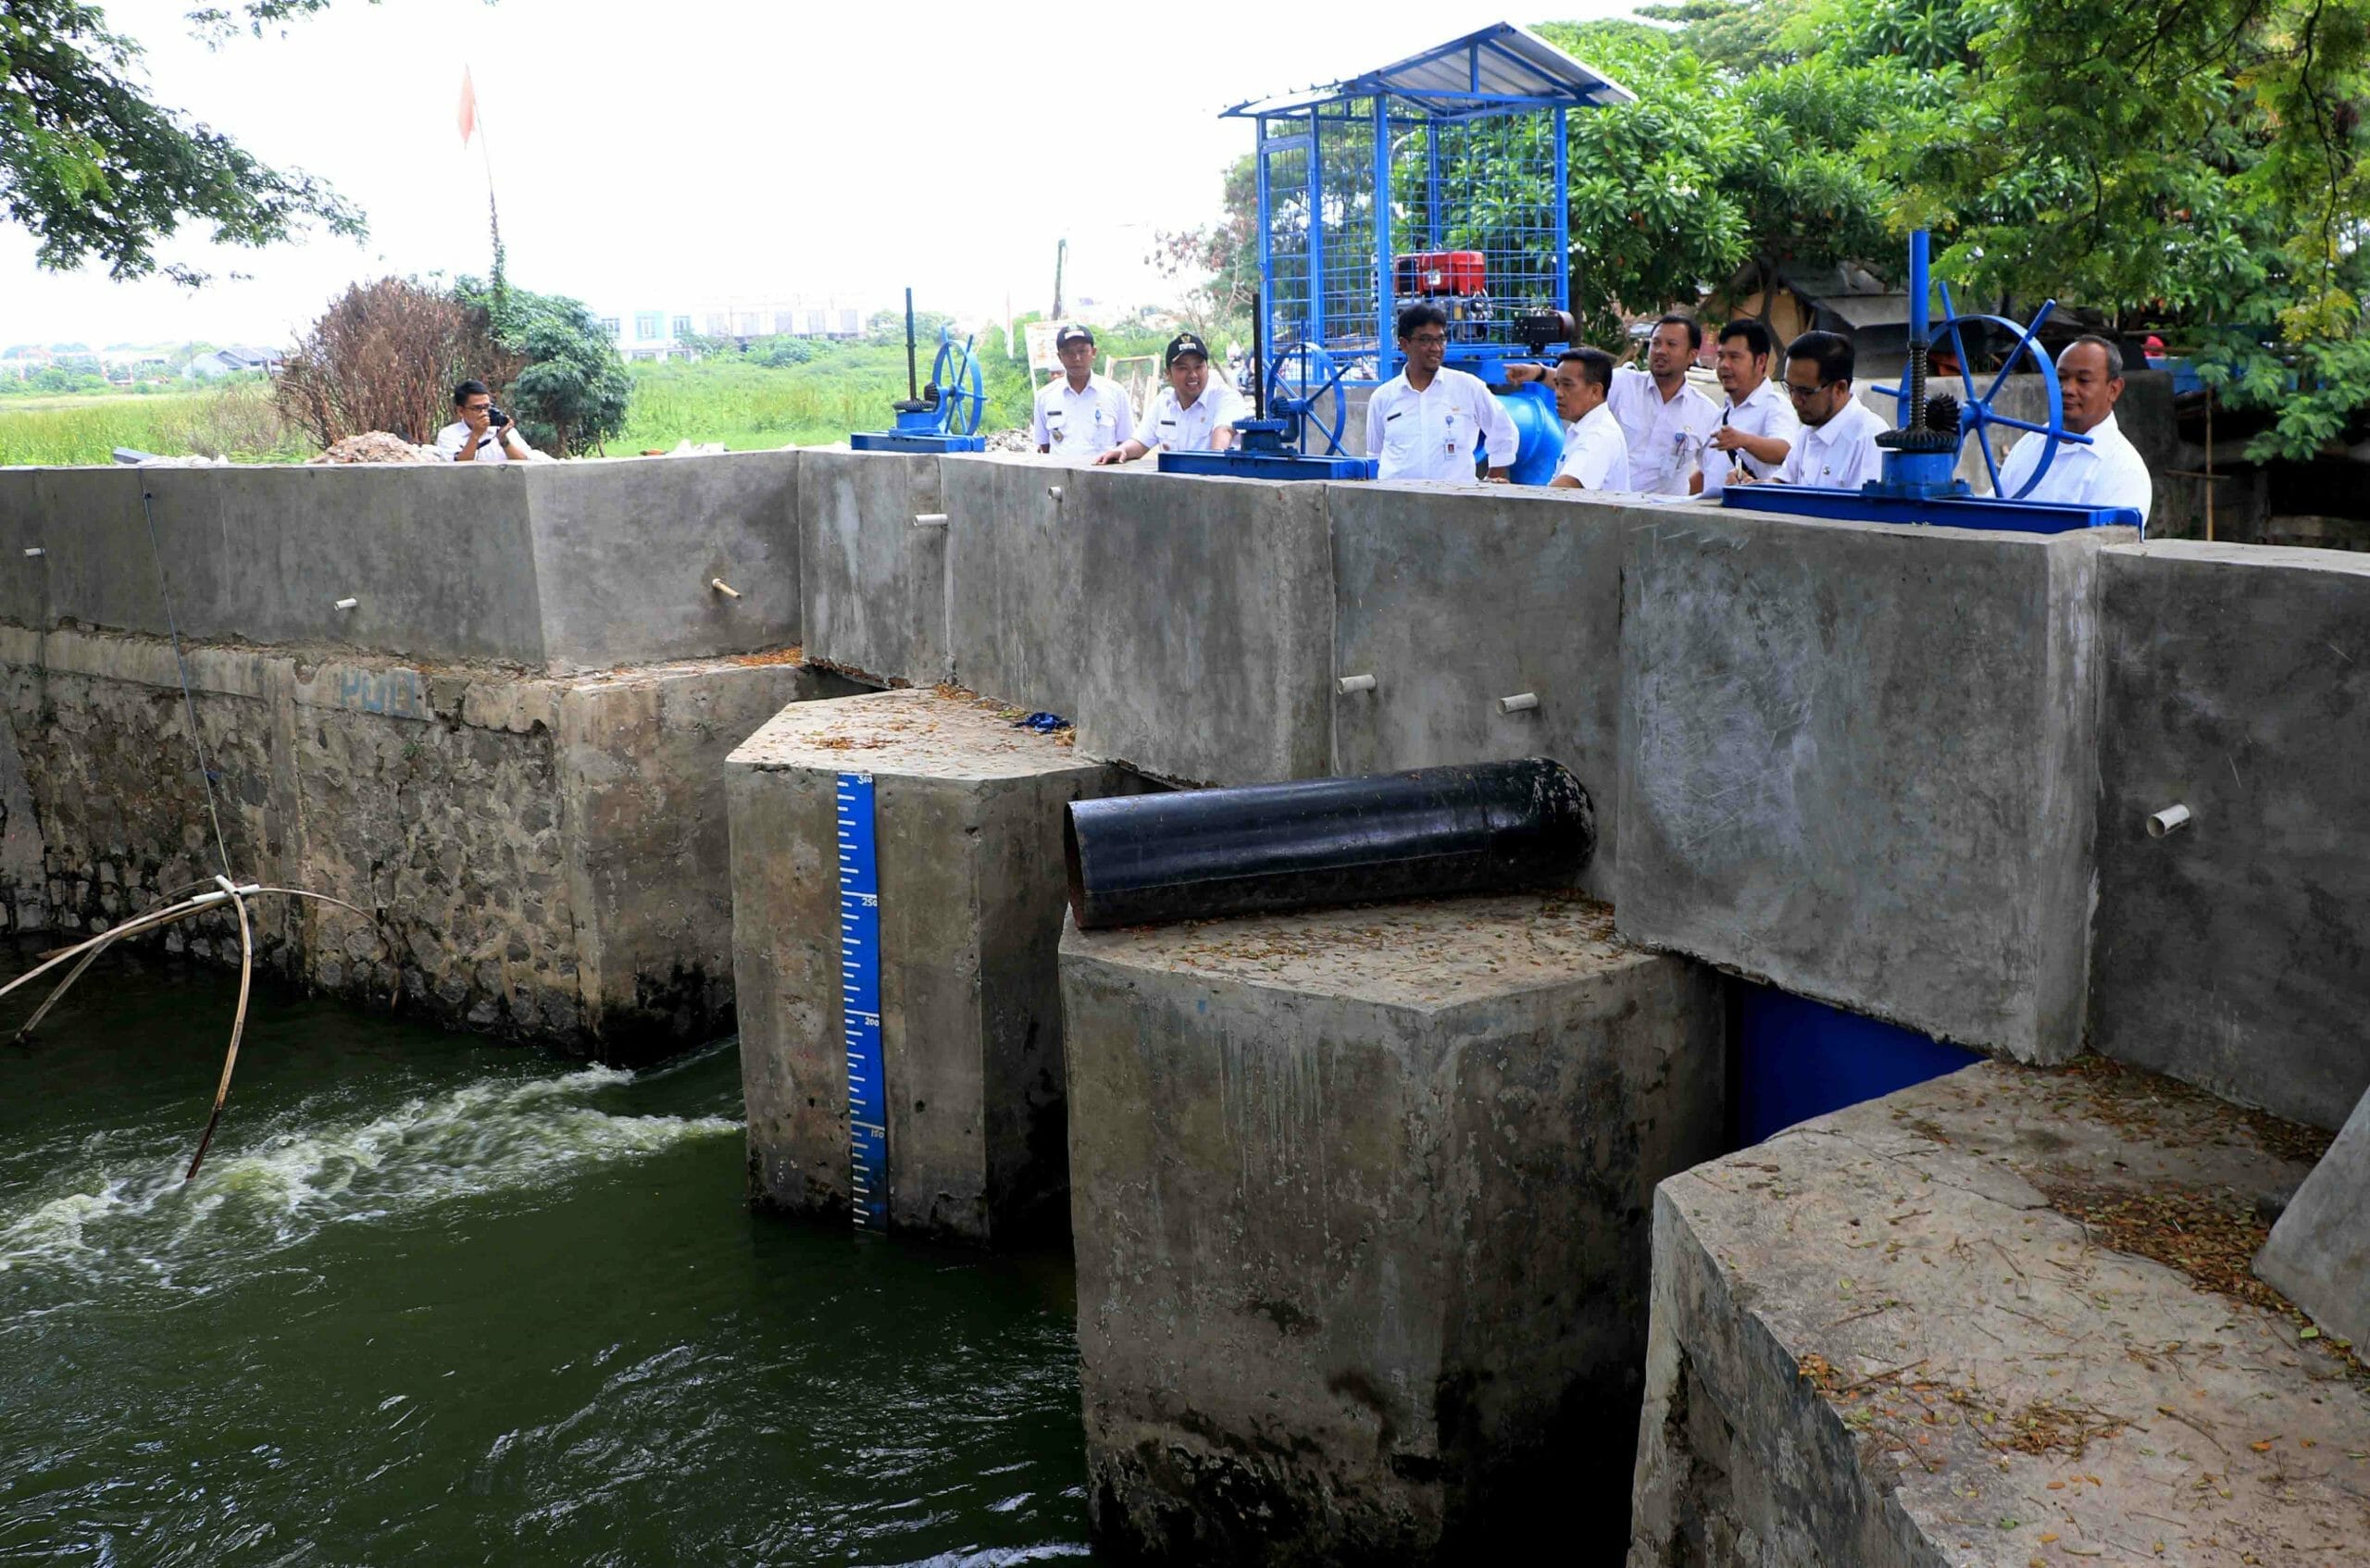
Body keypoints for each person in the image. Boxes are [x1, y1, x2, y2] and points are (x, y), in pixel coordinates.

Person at [1990, 336, 2152, 523]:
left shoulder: (2123, 470)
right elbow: (1994, 506)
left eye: (2083, 380)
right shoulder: (2032, 443)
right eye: (2061, 378)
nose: (2067, 389)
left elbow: (2100, 545)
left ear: (2114, 389)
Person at [1363, 304, 1517, 483]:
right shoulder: (1383, 398)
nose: (1436, 348)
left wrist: (1493, 478)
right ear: (1404, 344)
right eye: (1426, 340)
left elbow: (1504, 431)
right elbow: (1374, 455)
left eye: (1441, 339)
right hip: (1400, 504)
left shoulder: (1468, 388)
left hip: (1458, 502)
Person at [1747, 330, 1888, 491]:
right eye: (1790, 388)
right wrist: (1754, 487)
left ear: (1839, 388)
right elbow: (1784, 482)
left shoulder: (1868, 438)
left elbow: (1864, 509)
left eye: (1805, 392)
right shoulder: (1808, 431)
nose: (1794, 399)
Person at [1606, 313, 1721, 495]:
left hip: (1664, 518)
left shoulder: (1707, 412)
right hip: (1608, 506)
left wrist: (1679, 499)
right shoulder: (1622, 383)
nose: (1660, 350)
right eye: (1656, 343)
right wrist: (1542, 373)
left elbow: (1714, 470)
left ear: (1692, 355)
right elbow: (1578, 387)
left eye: (1671, 345)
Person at [1096, 332, 1245, 464]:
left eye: (1198, 367)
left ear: (1207, 368)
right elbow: (1140, 442)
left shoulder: (1226, 398)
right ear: (1168, 374)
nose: (1193, 374)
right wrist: (1123, 450)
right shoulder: (1164, 402)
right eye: (1183, 368)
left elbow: (1224, 432)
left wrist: (1216, 459)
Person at [1695, 319, 1799, 498]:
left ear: (1760, 361)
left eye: (1734, 357)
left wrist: (1743, 440)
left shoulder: (1774, 406)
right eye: (1720, 356)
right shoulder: (1722, 414)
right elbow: (1707, 473)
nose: (1724, 365)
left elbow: (1785, 451)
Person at [1033, 325, 1134, 459]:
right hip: (1060, 478)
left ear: (1093, 352)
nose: (1076, 358)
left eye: (1082, 351)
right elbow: (1045, 447)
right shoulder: (1045, 397)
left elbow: (1125, 444)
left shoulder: (1115, 393)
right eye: (1068, 352)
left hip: (1104, 476)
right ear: (1059, 357)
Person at [1545, 347, 1630, 492]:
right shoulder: (1582, 427)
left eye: (1567, 385)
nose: (1558, 393)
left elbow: (1562, 490)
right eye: (1557, 384)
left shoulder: (1599, 436)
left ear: (1595, 391)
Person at [436, 380, 534, 463]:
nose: (484, 413)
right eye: (477, 408)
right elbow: (456, 468)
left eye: (487, 407)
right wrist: (475, 435)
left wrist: (503, 440)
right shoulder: (448, 434)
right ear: (461, 411)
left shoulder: (502, 429)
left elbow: (525, 464)